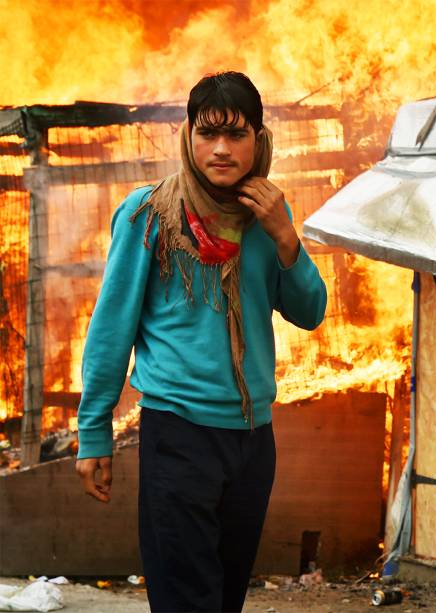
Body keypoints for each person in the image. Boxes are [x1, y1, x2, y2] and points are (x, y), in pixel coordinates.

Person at [74, 71, 327, 612]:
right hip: (178, 435)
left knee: (225, 596)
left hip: (254, 439)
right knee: (188, 600)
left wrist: (287, 237)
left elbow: (310, 312)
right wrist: (93, 432)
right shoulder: (150, 214)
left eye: (236, 135)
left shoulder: (267, 217)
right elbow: (111, 328)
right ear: (187, 135)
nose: (220, 149)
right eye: (207, 133)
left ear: (259, 140)